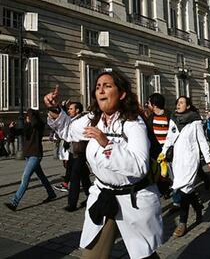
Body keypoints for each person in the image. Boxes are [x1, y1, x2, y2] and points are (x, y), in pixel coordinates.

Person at [44, 72, 163, 258]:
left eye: (107, 86)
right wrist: (54, 110)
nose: (101, 90)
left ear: (122, 93)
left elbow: (139, 166)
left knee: (143, 255)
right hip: (104, 196)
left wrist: (106, 143)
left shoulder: (133, 122)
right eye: (98, 86)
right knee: (92, 256)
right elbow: (68, 130)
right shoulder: (94, 118)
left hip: (133, 200)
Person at [161, 96, 210, 237]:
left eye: (182, 103)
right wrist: (163, 152)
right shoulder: (173, 119)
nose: (178, 105)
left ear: (188, 106)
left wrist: (208, 158)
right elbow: (169, 138)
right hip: (178, 160)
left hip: (191, 160)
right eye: (177, 102)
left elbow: (202, 140)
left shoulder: (195, 120)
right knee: (185, 189)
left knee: (184, 190)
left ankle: (182, 223)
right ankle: (197, 208)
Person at [4, 109, 57, 211]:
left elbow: (35, 122)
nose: (27, 118)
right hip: (29, 156)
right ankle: (51, 193)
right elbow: (16, 133)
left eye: (29, 116)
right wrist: (11, 128)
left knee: (25, 178)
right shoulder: (27, 127)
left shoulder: (38, 126)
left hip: (35, 155)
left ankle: (14, 202)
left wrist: (29, 111)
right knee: (42, 177)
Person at [64, 101, 92, 212]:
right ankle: (90, 196)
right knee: (84, 176)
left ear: (77, 110)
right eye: (69, 109)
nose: (69, 111)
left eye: (71, 109)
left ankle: (72, 204)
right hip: (72, 151)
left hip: (80, 151)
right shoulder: (72, 120)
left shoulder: (83, 120)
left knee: (74, 177)